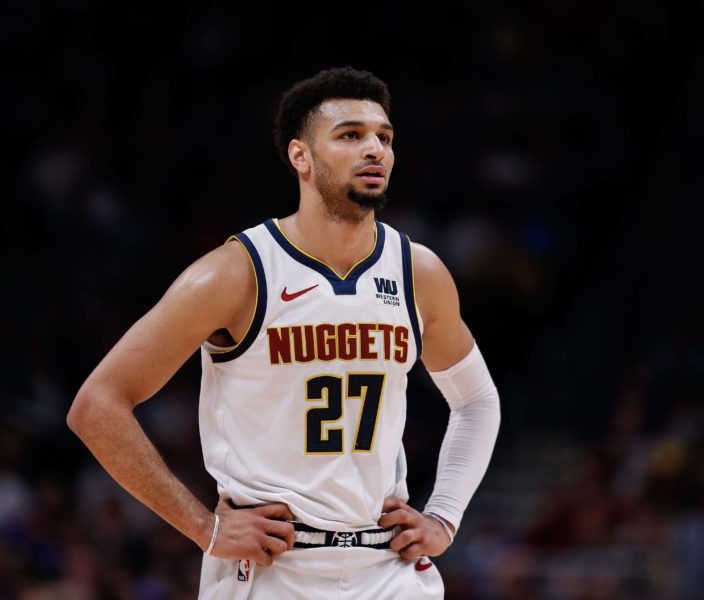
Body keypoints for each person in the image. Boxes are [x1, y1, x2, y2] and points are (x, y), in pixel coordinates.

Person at [67, 66, 501, 599]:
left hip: (388, 569)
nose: (375, 150)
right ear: (300, 156)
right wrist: (204, 527)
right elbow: (98, 405)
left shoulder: (419, 273)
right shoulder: (236, 273)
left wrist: (445, 515)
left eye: (384, 137)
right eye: (350, 135)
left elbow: (477, 399)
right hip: (272, 568)